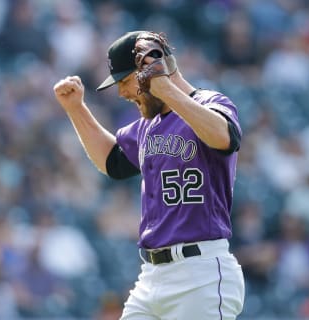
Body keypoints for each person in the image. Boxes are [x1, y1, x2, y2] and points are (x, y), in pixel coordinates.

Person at [53, 30, 245, 319]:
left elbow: (225, 137)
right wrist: (76, 109)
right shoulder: (148, 125)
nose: (122, 93)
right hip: (151, 276)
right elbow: (112, 162)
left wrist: (166, 88)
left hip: (201, 274)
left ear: (156, 69)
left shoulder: (210, 103)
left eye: (126, 80)